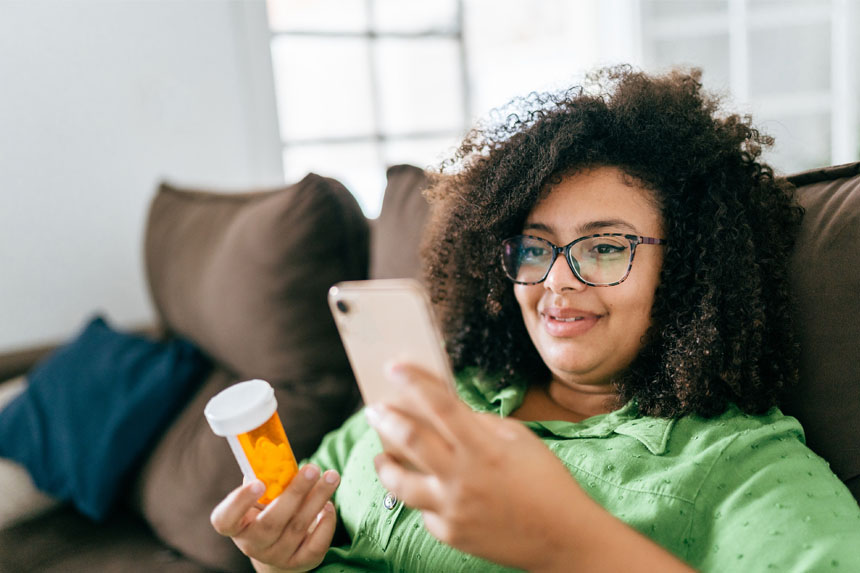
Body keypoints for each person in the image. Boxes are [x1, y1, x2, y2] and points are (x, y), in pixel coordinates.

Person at [210, 66, 860, 572]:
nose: (556, 280)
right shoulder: (453, 383)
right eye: (534, 246)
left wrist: (567, 540)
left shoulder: (737, 464)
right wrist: (277, 553)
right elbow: (310, 505)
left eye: (606, 246)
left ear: (690, 268)